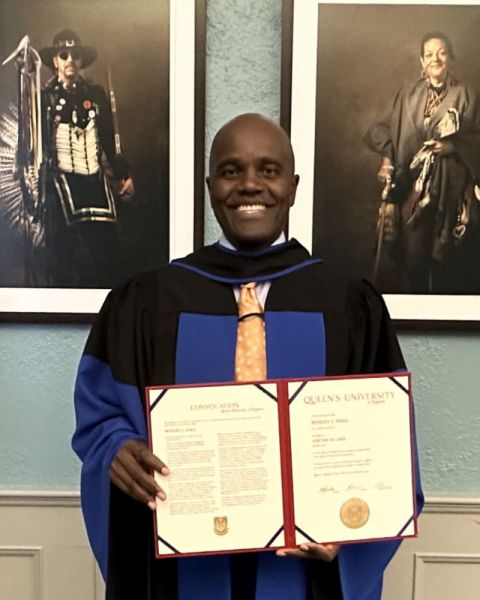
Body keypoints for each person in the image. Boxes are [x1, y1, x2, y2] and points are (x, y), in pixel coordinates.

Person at [72, 113, 423, 599]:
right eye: (232, 170)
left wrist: (351, 532)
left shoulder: (349, 304)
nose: (250, 185)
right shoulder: (147, 301)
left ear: (294, 186)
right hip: (185, 572)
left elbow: (386, 445)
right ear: (211, 183)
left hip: (301, 578)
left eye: (269, 170)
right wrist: (114, 448)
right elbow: (100, 411)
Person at [364, 31, 480, 293]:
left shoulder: (466, 94)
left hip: (453, 187)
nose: (435, 59)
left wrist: (452, 146)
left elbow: (478, 137)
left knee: (447, 257)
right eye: (429, 54)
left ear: (449, 57)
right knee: (414, 254)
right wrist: (387, 161)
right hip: (413, 186)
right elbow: (387, 131)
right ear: (421, 61)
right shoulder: (409, 95)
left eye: (441, 53)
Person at [38, 29, 134, 287]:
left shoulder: (96, 95)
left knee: (110, 252)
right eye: (64, 54)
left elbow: (108, 137)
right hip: (61, 184)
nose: (70, 59)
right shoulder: (45, 98)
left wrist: (123, 175)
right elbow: (39, 145)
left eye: (75, 55)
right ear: (55, 61)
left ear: (81, 60)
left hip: (95, 182)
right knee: (62, 255)